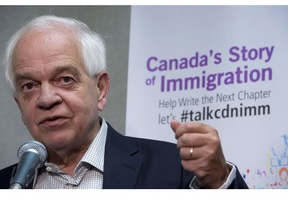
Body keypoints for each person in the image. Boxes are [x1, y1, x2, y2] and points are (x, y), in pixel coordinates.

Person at [0, 15, 248, 189]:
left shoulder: (176, 169)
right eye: (29, 86)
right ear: (18, 103)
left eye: (65, 79)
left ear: (101, 89)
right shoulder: (9, 186)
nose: (46, 99)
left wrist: (218, 181)